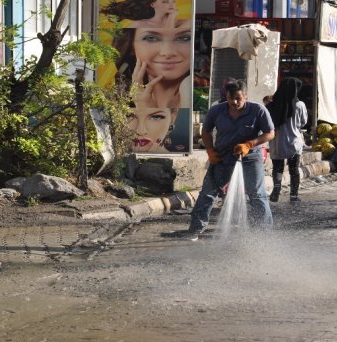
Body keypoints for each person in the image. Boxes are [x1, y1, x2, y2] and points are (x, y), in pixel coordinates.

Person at [182, 80, 275, 239]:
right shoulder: (217, 110)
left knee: (257, 194)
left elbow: (270, 133)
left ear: (246, 96)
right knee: (208, 193)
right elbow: (206, 130)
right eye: (230, 98)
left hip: (250, 158)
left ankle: (264, 233)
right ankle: (195, 229)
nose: (234, 102)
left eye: (238, 98)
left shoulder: (258, 110)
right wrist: (210, 150)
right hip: (222, 157)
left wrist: (249, 144)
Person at [112, 23, 192, 109]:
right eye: (151, 38)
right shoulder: (110, 102)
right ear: (132, 47)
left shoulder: (198, 94)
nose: (168, 52)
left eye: (184, 38)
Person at [266, 77, 308, 202]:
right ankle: (293, 195)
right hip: (293, 142)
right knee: (293, 169)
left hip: (276, 142)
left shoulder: (271, 105)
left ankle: (276, 191)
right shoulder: (300, 105)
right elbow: (303, 122)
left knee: (277, 168)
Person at [101, 0, 179, 28]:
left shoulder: (184, 23)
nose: (172, 5)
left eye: (173, 1)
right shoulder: (139, 25)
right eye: (165, 1)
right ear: (152, 4)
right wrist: (171, 18)